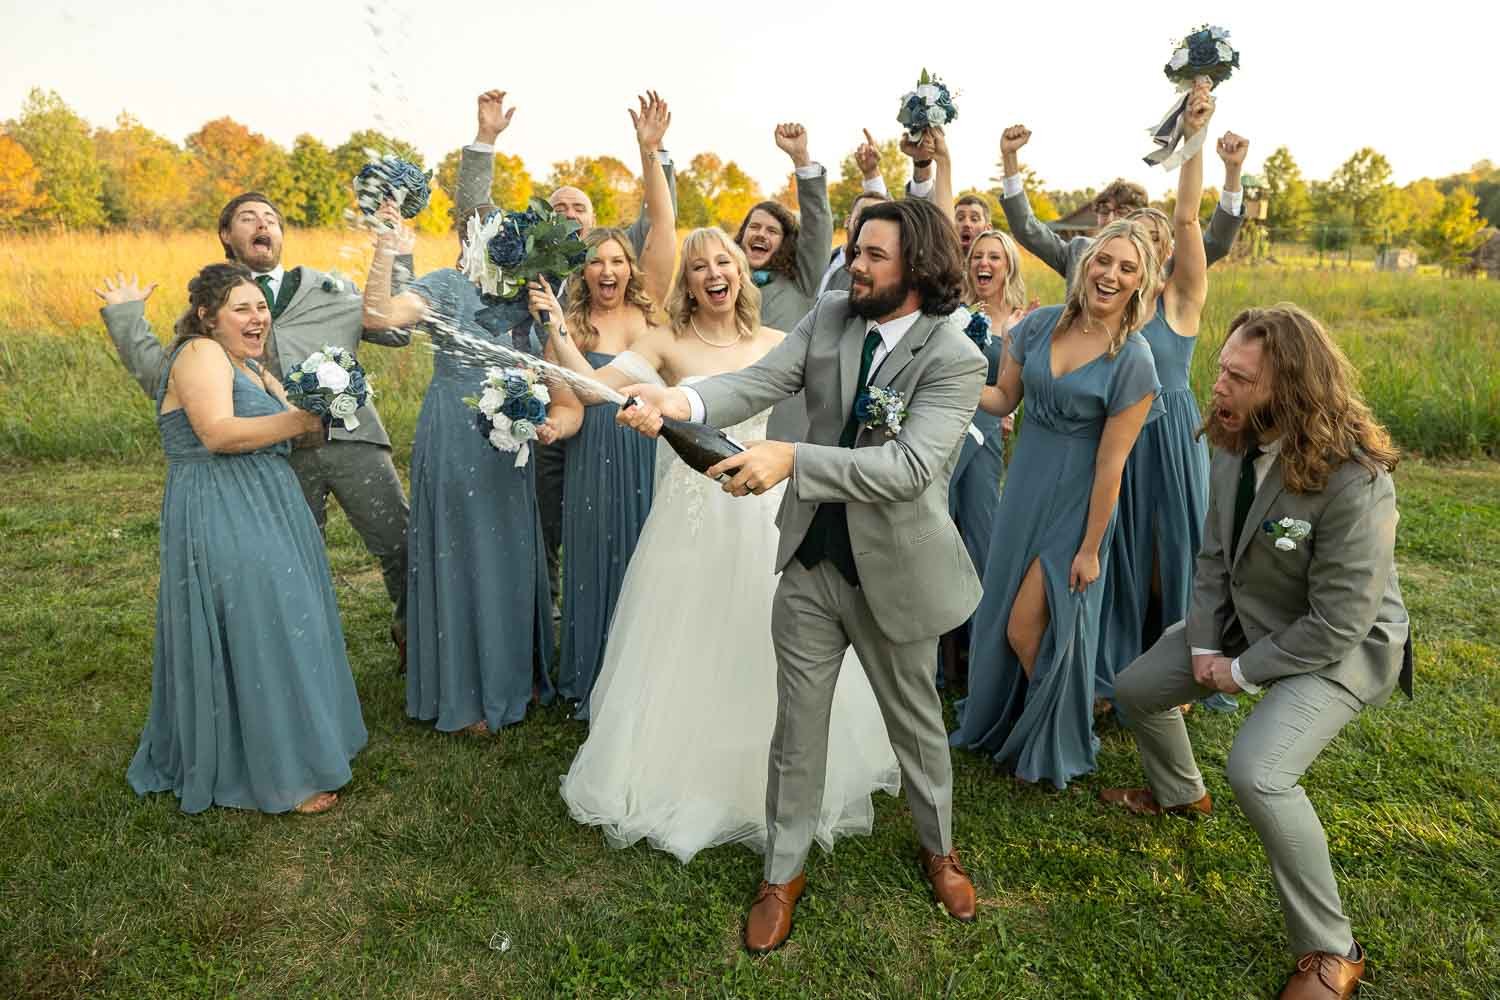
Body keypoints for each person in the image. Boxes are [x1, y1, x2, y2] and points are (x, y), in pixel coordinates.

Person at [618, 197, 985, 953]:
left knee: (915, 725)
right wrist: (679, 399)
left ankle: (938, 848)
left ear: (916, 268)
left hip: (897, 571)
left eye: (874, 256)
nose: (856, 265)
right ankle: (782, 871)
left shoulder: (957, 356)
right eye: (855, 251)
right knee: (797, 724)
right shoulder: (830, 317)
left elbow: (911, 467)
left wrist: (792, 459)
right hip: (810, 559)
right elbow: (756, 383)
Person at [554, 227, 900, 862]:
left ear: (741, 273)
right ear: (686, 282)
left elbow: (843, 389)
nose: (712, 273)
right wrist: (555, 330)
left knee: (769, 635)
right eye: (697, 266)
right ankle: (680, 771)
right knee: (686, 632)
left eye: (724, 262)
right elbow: (593, 388)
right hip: (686, 517)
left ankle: (776, 776)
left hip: (761, 506)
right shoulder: (666, 341)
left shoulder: (777, 343)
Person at [1102, 304, 1410, 1000]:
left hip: (1337, 649)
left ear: (1289, 388)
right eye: (1221, 370)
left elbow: (1337, 623)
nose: (1219, 387)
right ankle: (1180, 795)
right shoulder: (1233, 440)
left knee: (1260, 773)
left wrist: (1236, 672)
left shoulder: (1357, 479)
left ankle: (1333, 950)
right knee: (1136, 688)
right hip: (1246, 620)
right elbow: (1213, 556)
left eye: (1238, 379)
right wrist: (1207, 645)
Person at [98, 192, 412, 669]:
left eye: (271, 218)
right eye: (248, 218)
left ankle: (416, 638)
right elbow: (165, 376)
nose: (262, 224)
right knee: (292, 561)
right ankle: (304, 663)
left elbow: (394, 327)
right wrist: (126, 320)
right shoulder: (214, 309)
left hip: (353, 444)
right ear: (227, 235)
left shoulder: (329, 289)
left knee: (401, 544)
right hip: (271, 460)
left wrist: (395, 250)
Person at [116, 262, 367, 815]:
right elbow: (218, 433)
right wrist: (301, 422)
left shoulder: (249, 364)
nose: (257, 318)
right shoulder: (199, 353)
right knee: (261, 621)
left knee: (287, 619)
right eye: (241, 308)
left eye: (260, 308)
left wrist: (326, 407)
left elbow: (284, 424)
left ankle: (296, 749)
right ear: (208, 316)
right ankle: (278, 774)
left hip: (268, 499)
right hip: (221, 501)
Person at [950, 220, 1163, 789]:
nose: (1110, 275)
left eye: (1126, 269)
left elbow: (1111, 465)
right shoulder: (1040, 326)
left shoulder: (1135, 359)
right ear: (1085, 265)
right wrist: (946, 376)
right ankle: (1022, 718)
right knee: (1006, 617)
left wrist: (1091, 547)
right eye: (1103, 261)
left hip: (1078, 504)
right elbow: (1001, 399)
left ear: (1141, 283)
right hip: (1022, 491)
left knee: (1029, 627)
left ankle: (1057, 729)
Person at [454, 89, 681, 623]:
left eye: (579, 207)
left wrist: (653, 152)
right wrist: (485, 141)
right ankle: (544, 612)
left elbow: (663, 221)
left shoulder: (630, 282)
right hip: (551, 419)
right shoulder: (524, 265)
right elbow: (473, 222)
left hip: (624, 435)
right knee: (547, 526)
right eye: (558, 207)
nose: (568, 213)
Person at [361, 202, 584, 734]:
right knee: (461, 551)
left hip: (515, 452)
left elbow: (565, 391)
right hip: (456, 443)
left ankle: (512, 676)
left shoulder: (533, 298)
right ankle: (463, 688)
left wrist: (551, 423)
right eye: (477, 238)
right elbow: (378, 317)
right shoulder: (446, 286)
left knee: (510, 555)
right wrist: (385, 250)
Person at [1094, 82, 1224, 709]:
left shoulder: (1179, 302)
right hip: (1119, 438)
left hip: (1170, 437)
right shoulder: (1115, 310)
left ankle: (1180, 669)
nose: (1145, 247)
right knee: (1119, 549)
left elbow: (1188, 215)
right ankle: (1122, 663)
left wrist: (1194, 137)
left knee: (1173, 550)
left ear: (1166, 252)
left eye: (1155, 239)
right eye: (1132, 240)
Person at [995, 123, 1249, 286]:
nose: (1113, 219)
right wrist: (1009, 157)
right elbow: (1027, 229)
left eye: (1124, 212)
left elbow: (1215, 243)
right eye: (1105, 211)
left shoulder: (1167, 265)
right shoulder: (1078, 254)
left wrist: (1233, 171)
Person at [938, 228, 1027, 685]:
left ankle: (980, 653)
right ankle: (939, 658)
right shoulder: (950, 311)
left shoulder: (1015, 322)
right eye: (977, 256)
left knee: (978, 539)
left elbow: (1011, 393)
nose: (984, 263)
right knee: (937, 532)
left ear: (1008, 266)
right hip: (941, 433)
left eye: (995, 257)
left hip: (985, 434)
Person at [732, 123, 833, 443]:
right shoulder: (719, 285)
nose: (760, 234)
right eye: (754, 227)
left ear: (785, 243)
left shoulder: (800, 283)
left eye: (771, 231)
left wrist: (801, 159)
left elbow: (817, 225)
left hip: (782, 418)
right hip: (728, 403)